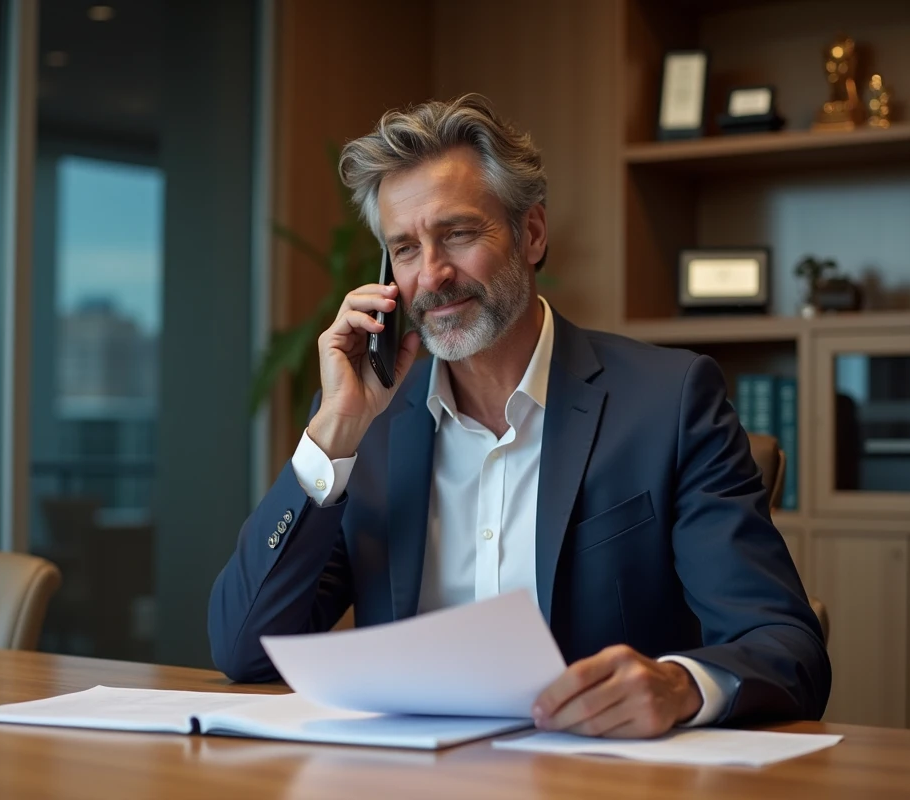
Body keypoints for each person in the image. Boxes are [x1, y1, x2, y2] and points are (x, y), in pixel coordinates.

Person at [209, 94, 830, 738]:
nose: (433, 275)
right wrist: (334, 430)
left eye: (457, 233)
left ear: (531, 234)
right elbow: (244, 649)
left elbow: (786, 644)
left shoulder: (669, 402)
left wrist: (679, 685)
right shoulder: (370, 428)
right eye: (405, 249)